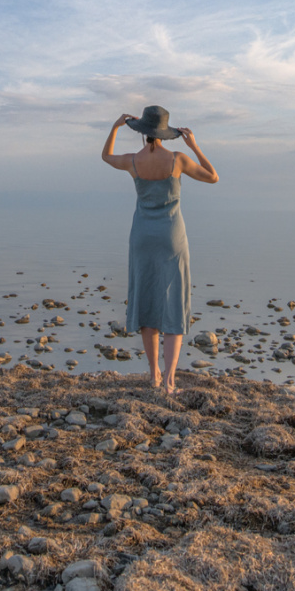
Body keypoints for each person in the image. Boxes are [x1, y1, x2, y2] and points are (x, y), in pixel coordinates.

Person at [100, 105, 218, 393]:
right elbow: (212, 176)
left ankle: (153, 376)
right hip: (171, 237)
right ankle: (169, 380)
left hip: (142, 237)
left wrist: (115, 127)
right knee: (174, 303)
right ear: (165, 133)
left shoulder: (132, 161)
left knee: (148, 300)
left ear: (143, 134)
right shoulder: (178, 159)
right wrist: (195, 146)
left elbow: (106, 156)